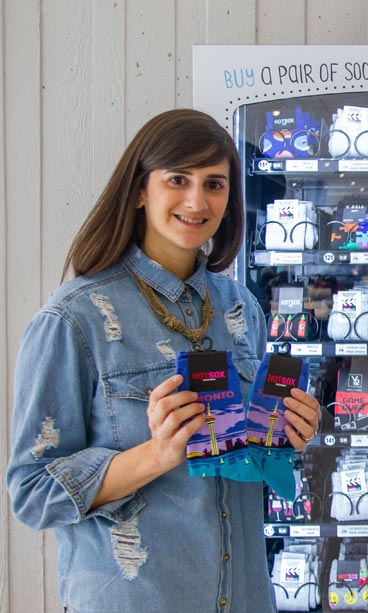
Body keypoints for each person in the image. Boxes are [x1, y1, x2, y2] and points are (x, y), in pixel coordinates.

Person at [6, 109, 322, 612]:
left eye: (214, 184)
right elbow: (31, 491)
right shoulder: (74, 318)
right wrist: (156, 454)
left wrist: (285, 435)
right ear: (139, 190)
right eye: (178, 179)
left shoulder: (242, 309)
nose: (197, 201)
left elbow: (248, 461)